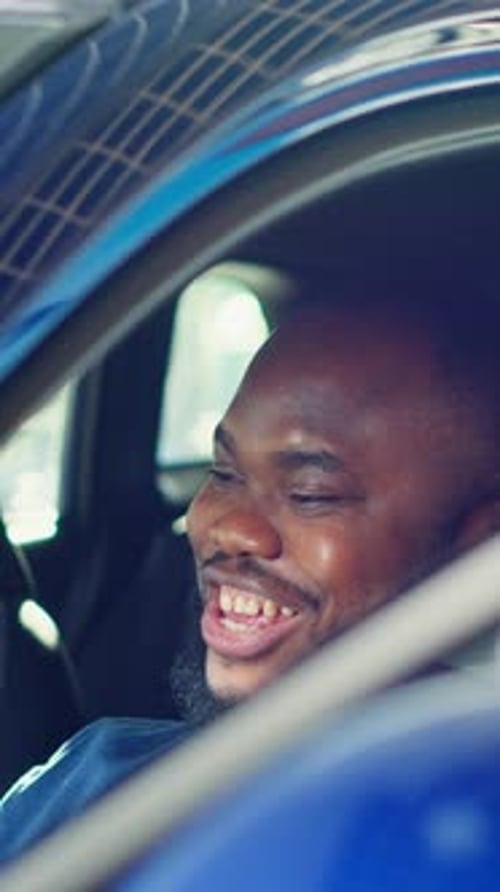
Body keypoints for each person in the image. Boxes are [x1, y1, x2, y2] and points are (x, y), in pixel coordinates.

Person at [2, 274, 499, 860]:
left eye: (312, 493)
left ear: (480, 548)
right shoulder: (98, 776)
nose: (225, 526)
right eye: (224, 472)